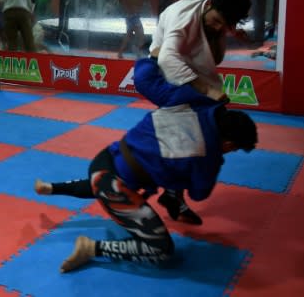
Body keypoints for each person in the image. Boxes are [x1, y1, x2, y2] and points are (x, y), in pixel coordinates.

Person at [35, 57, 258, 272]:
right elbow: (199, 193)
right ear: (228, 143)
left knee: (106, 181)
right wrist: (214, 161)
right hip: (115, 187)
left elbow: (143, 78)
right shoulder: (208, 156)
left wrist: (154, 56)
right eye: (233, 148)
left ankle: (52, 188)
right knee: (162, 249)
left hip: (105, 159)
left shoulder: (190, 99)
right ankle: (91, 248)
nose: (230, 152)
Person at [149, 0, 252, 223]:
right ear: (209, 5)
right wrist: (207, 90)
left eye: (224, 25)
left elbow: (221, 21)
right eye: (216, 21)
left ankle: (173, 193)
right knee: (189, 140)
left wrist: (232, 30)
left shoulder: (218, 5)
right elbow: (167, 58)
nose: (218, 27)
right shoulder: (182, 18)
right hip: (168, 70)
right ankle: (168, 190)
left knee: (202, 138)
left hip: (193, 66)